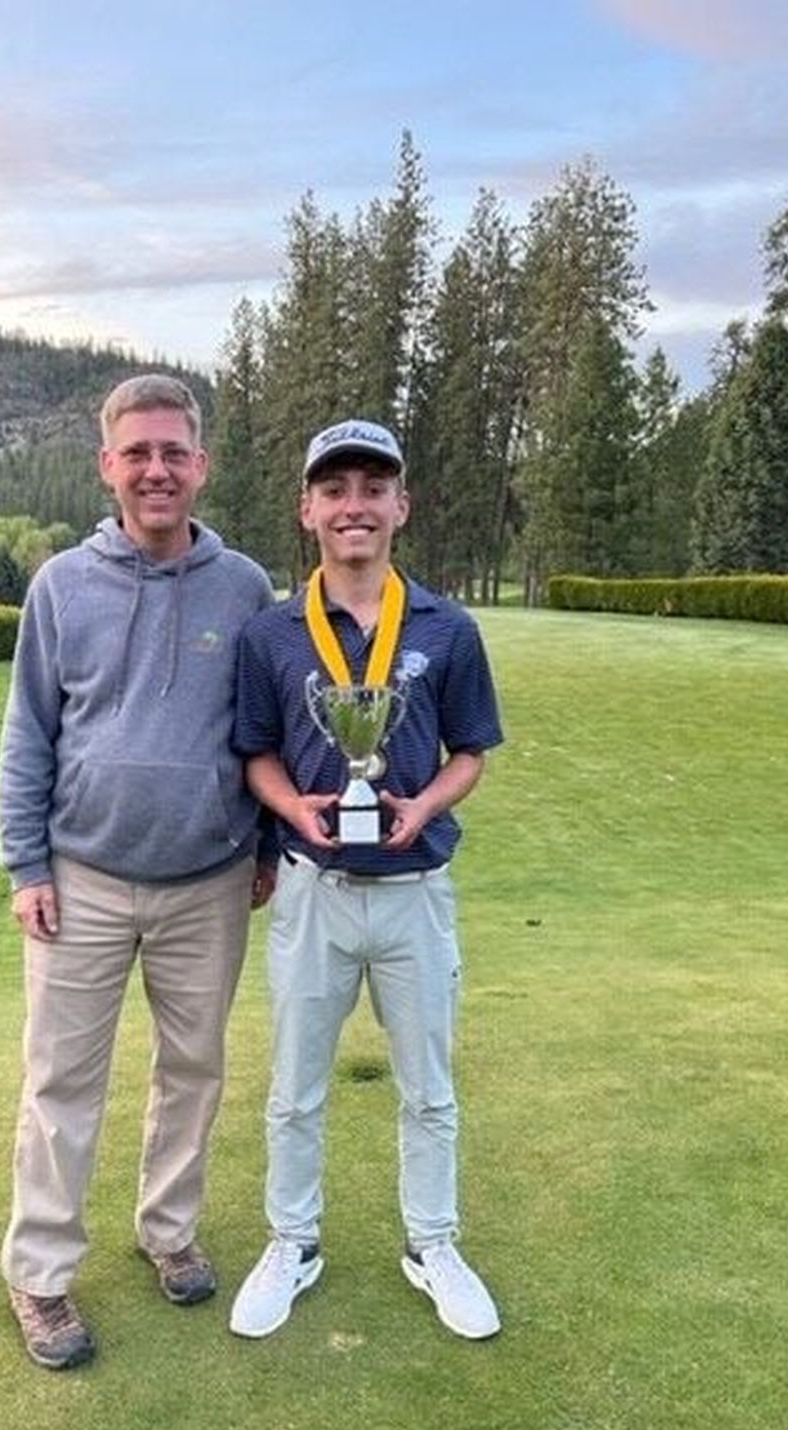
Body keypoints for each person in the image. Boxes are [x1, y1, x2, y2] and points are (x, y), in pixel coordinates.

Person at [0, 373, 275, 1370]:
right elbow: (28, 729)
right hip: (83, 879)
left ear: (201, 465)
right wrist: (26, 861)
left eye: (174, 452)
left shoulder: (245, 588)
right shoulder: (62, 585)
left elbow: (266, 729)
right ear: (108, 465)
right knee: (62, 1079)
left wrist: (268, 846)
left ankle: (169, 1230)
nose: (156, 470)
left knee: (192, 1071)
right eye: (137, 452)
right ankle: (40, 1270)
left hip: (209, 879)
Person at [228, 418, 503, 1342]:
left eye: (373, 488)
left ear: (400, 505)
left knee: (429, 1088)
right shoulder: (272, 631)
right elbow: (258, 755)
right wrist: (292, 810)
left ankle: (433, 1245)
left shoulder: (447, 627)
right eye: (335, 490)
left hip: (415, 890)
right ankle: (293, 1242)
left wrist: (423, 804)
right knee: (294, 1087)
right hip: (314, 890)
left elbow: (472, 753)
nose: (356, 506)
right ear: (309, 510)